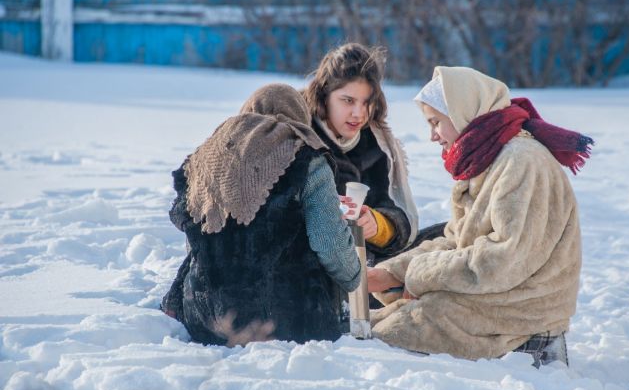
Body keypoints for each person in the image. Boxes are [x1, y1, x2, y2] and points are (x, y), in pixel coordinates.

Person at [367, 67, 593, 367]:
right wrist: (392, 272)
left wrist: (417, 275)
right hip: (500, 294)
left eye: (436, 123)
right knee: (375, 326)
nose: (432, 136)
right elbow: (456, 240)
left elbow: (503, 258)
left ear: (462, 112)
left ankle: (540, 349)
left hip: (525, 308)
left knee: (393, 335)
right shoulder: (485, 160)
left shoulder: (520, 162)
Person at [161, 84, 361, 346]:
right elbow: (329, 243)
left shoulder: (207, 158)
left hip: (206, 321)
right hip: (289, 323)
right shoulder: (307, 158)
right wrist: (355, 278)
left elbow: (194, 241)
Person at [302, 43, 421, 272]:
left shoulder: (375, 145)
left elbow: (391, 208)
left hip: (363, 262)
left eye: (367, 102)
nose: (358, 113)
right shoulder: (300, 134)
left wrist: (377, 225)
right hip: (305, 267)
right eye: (348, 100)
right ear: (325, 96)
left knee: (442, 241)